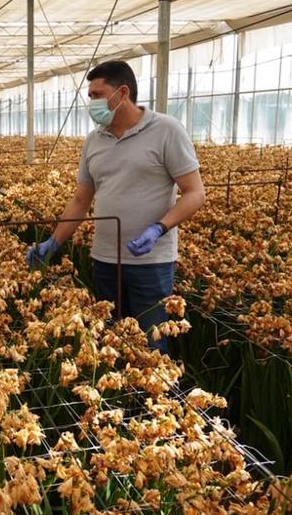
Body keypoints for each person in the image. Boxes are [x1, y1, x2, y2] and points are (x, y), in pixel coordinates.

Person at [26, 60, 205, 353]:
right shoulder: (94, 141)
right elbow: (81, 200)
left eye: (97, 95)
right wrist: (53, 242)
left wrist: (158, 228)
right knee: (111, 343)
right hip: (106, 261)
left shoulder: (167, 130)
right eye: (91, 96)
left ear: (122, 93)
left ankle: (156, 399)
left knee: (153, 346)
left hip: (151, 262)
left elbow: (195, 192)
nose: (92, 102)